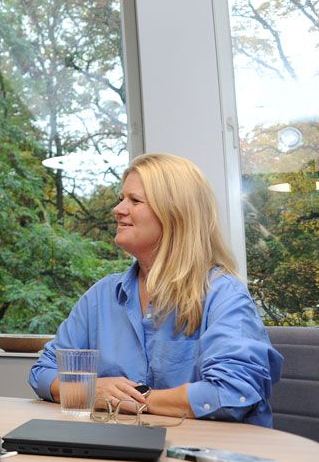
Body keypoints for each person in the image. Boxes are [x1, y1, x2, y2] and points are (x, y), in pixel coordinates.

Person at [29, 153, 283, 427]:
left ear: (175, 215)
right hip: (125, 453)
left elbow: (234, 391)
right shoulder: (101, 296)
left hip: (210, 459)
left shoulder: (223, 294)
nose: (118, 209)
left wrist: (139, 400)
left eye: (134, 201)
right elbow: (44, 372)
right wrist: (93, 390)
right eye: (121, 198)